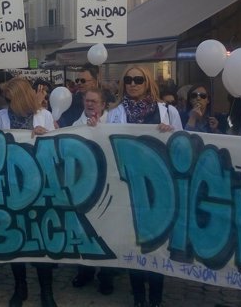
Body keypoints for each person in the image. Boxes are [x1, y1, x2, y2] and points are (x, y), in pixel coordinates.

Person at [107, 65, 182, 307]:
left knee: (156, 244)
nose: (133, 83)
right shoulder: (115, 112)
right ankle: (139, 297)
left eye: (138, 79)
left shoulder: (168, 111)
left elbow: (183, 146)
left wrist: (170, 134)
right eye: (128, 79)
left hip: (159, 188)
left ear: (147, 82)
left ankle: (156, 298)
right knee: (133, 244)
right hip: (128, 188)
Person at [0, 77, 56, 307]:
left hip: (40, 185)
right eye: (5, 98)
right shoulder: (1, 116)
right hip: (11, 185)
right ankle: (20, 287)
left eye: (10, 97)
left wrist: (45, 135)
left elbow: (55, 149)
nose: (7, 102)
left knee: (41, 239)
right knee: (15, 238)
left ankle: (46, 290)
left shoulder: (45, 116)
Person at [70, 87, 114, 295]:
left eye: (94, 101)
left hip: (108, 186)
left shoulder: (115, 124)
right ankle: (84, 271)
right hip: (83, 185)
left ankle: (106, 276)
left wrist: (98, 131)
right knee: (84, 231)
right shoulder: (75, 125)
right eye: (87, 100)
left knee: (106, 232)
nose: (90, 104)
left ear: (103, 105)